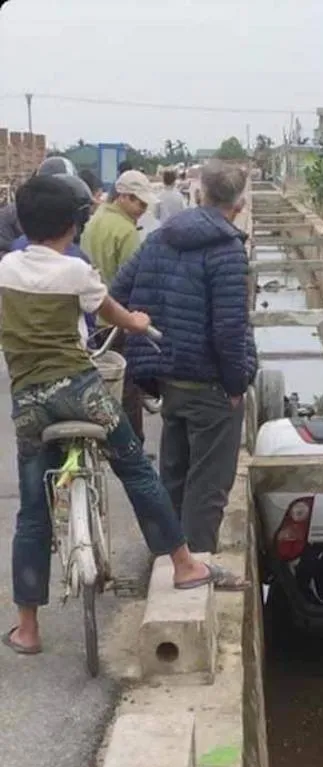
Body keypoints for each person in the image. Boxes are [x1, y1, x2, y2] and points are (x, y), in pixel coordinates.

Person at [0, 176, 245, 655]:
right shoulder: (75, 271)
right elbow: (113, 313)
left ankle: (27, 628)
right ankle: (183, 563)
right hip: (80, 391)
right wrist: (136, 322)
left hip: (28, 400)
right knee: (135, 467)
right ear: (73, 224)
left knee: (32, 511)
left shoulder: (5, 269)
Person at [112, 160, 256, 556]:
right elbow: (229, 329)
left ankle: (168, 559)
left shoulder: (160, 238)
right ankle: (198, 569)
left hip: (167, 377)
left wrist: (157, 325)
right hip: (210, 385)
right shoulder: (227, 249)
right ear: (239, 202)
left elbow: (117, 292)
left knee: (174, 474)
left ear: (199, 194)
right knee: (208, 484)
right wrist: (234, 385)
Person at [81, 169, 155, 446]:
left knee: (99, 386)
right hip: (118, 321)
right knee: (128, 389)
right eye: (139, 203)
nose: (142, 210)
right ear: (123, 197)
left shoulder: (94, 220)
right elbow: (136, 282)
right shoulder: (126, 232)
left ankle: (101, 441)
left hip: (92, 320)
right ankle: (132, 447)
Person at [11, 173, 97, 337]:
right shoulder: (75, 260)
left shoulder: (15, 251)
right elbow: (92, 314)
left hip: (18, 351)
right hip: (67, 354)